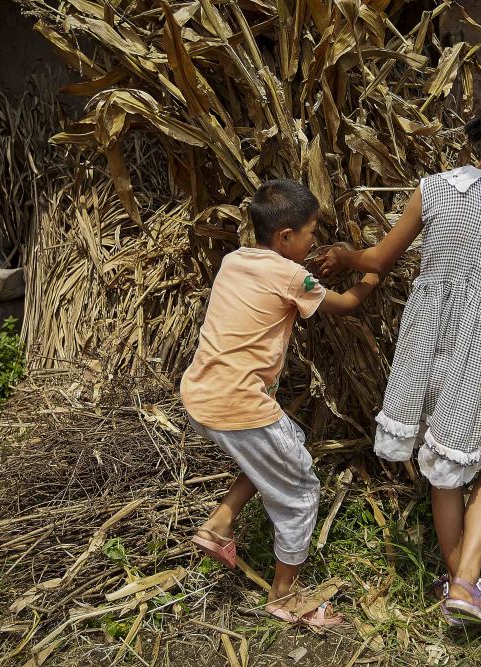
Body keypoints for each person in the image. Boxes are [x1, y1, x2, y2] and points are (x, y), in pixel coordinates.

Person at [318, 88, 481, 627]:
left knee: (443, 463)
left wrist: (345, 256)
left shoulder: (435, 190)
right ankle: (466, 586)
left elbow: (380, 258)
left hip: (427, 335)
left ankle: (459, 587)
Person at [181, 179, 380, 626]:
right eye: (311, 232)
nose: (315, 240)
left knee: (279, 447)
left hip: (200, 394)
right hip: (239, 405)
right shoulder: (291, 276)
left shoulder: (234, 260)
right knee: (301, 492)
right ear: (285, 237)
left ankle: (218, 525)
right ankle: (284, 597)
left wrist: (306, 270)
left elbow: (278, 285)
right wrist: (371, 273)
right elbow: (346, 304)